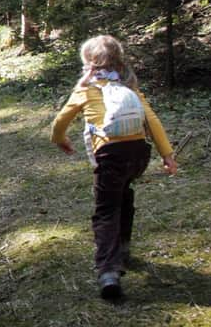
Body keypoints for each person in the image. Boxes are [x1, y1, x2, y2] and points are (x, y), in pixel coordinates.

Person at [50, 35, 178, 300]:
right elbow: (152, 120)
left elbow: (61, 120)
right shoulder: (129, 87)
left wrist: (59, 139)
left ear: (89, 62)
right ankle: (124, 247)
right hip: (139, 154)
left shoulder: (86, 89)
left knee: (106, 210)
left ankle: (109, 270)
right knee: (124, 192)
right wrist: (167, 155)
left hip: (110, 155)